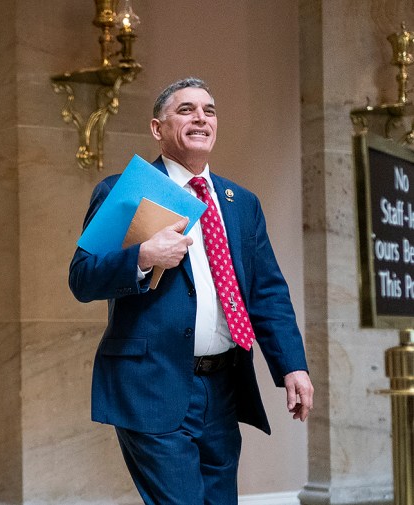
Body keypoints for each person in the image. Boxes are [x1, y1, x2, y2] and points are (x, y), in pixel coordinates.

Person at [69, 77, 313, 504]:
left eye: (210, 110)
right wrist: (142, 257)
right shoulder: (124, 190)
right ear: (157, 128)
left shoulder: (242, 202)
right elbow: (82, 277)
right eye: (186, 109)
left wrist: (292, 365)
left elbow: (268, 293)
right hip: (151, 384)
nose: (201, 117)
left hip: (222, 386)